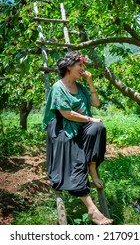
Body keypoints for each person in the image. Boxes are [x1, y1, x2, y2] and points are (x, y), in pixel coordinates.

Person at [43, 51, 113, 225]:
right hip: (61, 129)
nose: (82, 68)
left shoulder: (80, 86)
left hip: (78, 126)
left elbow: (95, 103)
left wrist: (90, 82)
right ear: (69, 67)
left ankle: (92, 167)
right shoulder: (58, 87)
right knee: (75, 157)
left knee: (98, 127)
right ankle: (92, 209)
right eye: (79, 65)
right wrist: (90, 118)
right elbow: (66, 114)